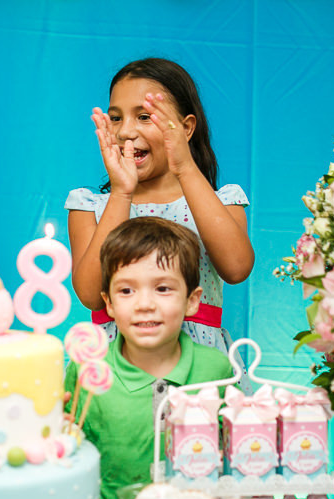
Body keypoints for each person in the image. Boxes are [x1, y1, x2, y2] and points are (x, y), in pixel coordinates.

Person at [66, 57, 254, 362]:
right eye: (116, 118)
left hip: (197, 370)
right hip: (116, 370)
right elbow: (91, 295)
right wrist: (121, 192)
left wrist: (185, 167)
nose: (125, 131)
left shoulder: (222, 202)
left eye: (144, 116)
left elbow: (237, 268)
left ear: (186, 127)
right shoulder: (89, 207)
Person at [64, 217, 234, 499]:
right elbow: (69, 454)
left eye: (163, 288)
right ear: (108, 303)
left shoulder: (216, 369)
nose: (144, 304)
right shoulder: (88, 373)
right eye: (126, 291)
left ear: (192, 300)